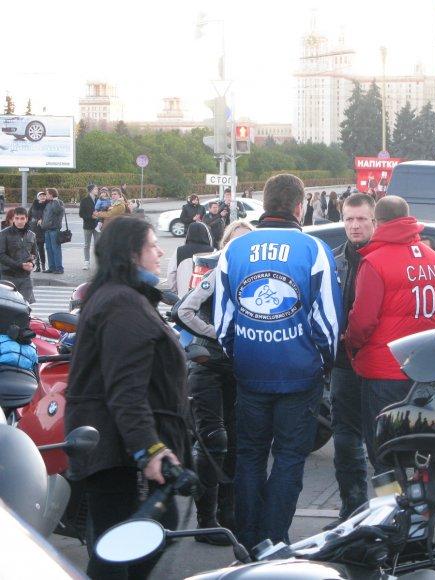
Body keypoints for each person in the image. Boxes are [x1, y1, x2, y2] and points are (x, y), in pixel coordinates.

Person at [212, 173, 343, 550]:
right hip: (300, 376)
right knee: (288, 459)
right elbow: (329, 322)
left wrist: (241, 355)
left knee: (250, 457)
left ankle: (248, 540)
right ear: (300, 207)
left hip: (251, 373)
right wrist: (324, 363)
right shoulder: (313, 249)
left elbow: (223, 322)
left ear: (265, 203)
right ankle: (273, 540)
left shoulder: (234, 250)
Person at [64, 216, 190, 579]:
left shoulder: (120, 296)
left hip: (112, 441)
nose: (160, 252)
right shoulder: (122, 304)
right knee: (123, 547)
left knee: (128, 541)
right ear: (132, 254)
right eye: (153, 245)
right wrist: (149, 449)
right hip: (114, 445)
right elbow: (125, 389)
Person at [344, 195, 435, 474]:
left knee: (384, 455)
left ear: (377, 222)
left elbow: (362, 322)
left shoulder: (374, 262)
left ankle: (391, 500)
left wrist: (351, 346)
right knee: (424, 451)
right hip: (427, 373)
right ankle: (425, 499)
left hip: (384, 373)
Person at [176, 219, 255, 544]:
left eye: (247, 243)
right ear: (225, 246)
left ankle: (228, 515)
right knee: (214, 441)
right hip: (207, 365)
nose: (241, 249)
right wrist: (218, 335)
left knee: (236, 441)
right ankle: (206, 520)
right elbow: (184, 311)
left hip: (238, 367)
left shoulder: (256, 276)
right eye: (235, 242)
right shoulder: (216, 273)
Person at [326, 194, 376, 529]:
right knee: (345, 439)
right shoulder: (333, 261)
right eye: (349, 219)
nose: (354, 226)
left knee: (383, 443)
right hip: (344, 363)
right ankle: (353, 511)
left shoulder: (383, 259)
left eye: (361, 219)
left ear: (374, 221)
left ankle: (390, 513)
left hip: (380, 364)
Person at [0, 207, 38, 303]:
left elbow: (34, 254)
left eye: (22, 218)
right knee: (8, 306)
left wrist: (32, 263)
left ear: (26, 219)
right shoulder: (4, 234)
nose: (19, 221)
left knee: (25, 306)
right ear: (13, 219)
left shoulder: (31, 235)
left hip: (25, 278)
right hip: (8, 276)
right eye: (17, 218)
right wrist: (20, 265)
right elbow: (1, 255)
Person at [167, 222, 214, 295]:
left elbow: (171, 273)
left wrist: (175, 291)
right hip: (207, 296)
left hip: (183, 296)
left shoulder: (179, 251)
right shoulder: (213, 252)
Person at [41, 187, 64, 274]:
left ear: (51, 194)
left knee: (56, 249)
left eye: (47, 194)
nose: (46, 195)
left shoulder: (58, 202)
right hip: (47, 229)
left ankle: (59, 268)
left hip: (54, 229)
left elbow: (57, 211)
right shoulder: (49, 203)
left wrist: (55, 200)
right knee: (49, 249)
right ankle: (52, 267)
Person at [79, 183, 99, 270]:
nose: (97, 190)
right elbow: (81, 214)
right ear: (91, 190)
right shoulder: (84, 200)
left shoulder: (98, 199)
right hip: (87, 225)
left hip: (98, 226)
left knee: (97, 244)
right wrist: (91, 216)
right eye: (96, 189)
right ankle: (86, 262)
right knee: (87, 244)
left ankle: (98, 262)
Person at [28, 191, 47, 272]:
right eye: (41, 196)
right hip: (33, 228)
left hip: (42, 229)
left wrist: (42, 219)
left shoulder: (47, 205)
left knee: (41, 248)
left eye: (44, 196)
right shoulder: (34, 205)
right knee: (34, 248)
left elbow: (48, 215)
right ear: (37, 197)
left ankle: (43, 266)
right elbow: (28, 216)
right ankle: (37, 266)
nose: (42, 197)